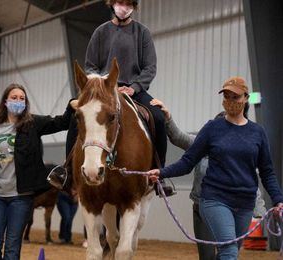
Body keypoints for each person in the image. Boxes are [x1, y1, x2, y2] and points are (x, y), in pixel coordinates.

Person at [148, 77, 283, 259]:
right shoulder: (212, 128)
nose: (230, 101)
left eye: (234, 96)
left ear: (245, 98)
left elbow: (267, 171)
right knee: (229, 251)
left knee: (229, 252)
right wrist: (162, 172)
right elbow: (188, 161)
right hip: (215, 200)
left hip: (244, 204)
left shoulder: (258, 133)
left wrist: (278, 199)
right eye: (226, 96)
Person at [0, 83, 77, 260]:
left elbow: (60, 123)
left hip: (21, 198)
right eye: (14, 97)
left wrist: (70, 106)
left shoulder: (33, 124)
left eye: (22, 98)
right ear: (5, 101)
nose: (18, 101)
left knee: (12, 250)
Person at [81, 0, 174, 196]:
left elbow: (150, 67)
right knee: (77, 116)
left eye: (127, 3)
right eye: (119, 2)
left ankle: (160, 175)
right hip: (105, 89)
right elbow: (90, 65)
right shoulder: (100, 32)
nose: (123, 6)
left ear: (133, 6)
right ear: (112, 4)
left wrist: (134, 87)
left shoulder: (142, 33)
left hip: (134, 89)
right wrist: (103, 83)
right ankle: (66, 173)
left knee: (157, 116)